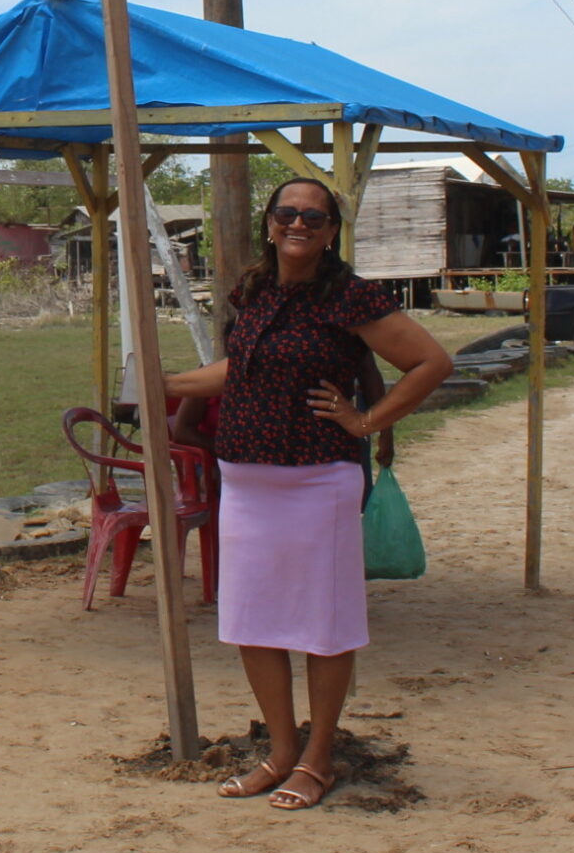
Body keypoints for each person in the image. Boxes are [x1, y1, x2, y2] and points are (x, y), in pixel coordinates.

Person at [163, 178, 453, 810]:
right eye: (287, 213)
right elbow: (242, 369)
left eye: (314, 218)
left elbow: (432, 362)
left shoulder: (351, 295)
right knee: (253, 621)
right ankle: (281, 753)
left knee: (325, 623)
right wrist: (171, 381)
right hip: (246, 480)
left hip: (317, 480)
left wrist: (366, 422)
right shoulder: (255, 289)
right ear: (269, 222)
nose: (299, 224)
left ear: (330, 231)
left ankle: (318, 759)